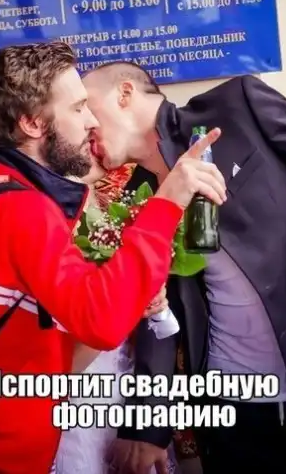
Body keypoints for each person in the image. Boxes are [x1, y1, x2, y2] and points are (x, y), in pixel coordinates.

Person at [0, 41, 225, 474]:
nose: (91, 121)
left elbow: (41, 350)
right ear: (33, 122)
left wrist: (129, 297)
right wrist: (167, 202)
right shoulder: (25, 211)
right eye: (77, 108)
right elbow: (101, 322)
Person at [82, 61, 286, 474]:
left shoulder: (237, 104)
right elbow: (156, 320)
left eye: (87, 106)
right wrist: (145, 427)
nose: (84, 124)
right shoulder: (137, 201)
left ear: (124, 94)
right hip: (230, 405)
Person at [56, 160, 181, 474]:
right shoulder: (39, 223)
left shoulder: (140, 187)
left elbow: (162, 326)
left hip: (127, 390)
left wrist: (148, 423)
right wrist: (124, 304)